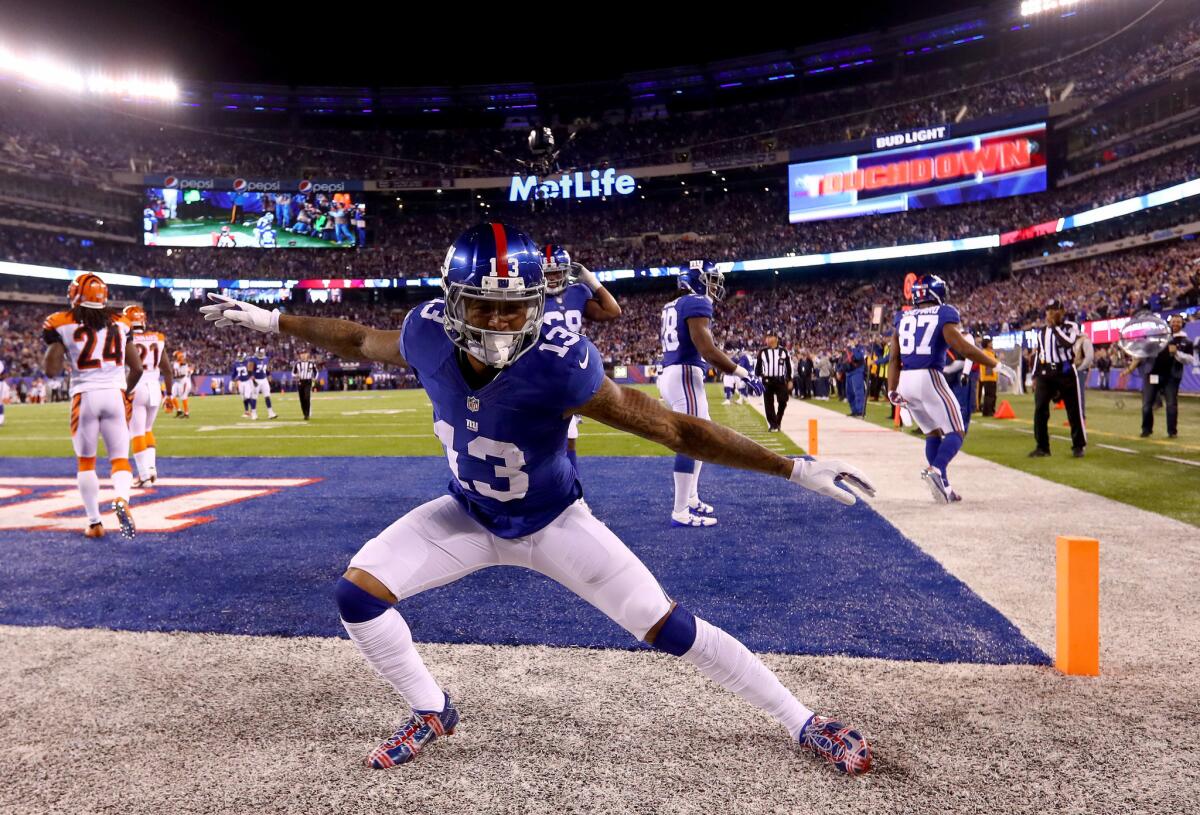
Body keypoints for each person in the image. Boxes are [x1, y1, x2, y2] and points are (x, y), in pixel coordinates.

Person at [201, 223, 876, 776]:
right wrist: (271, 319)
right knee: (356, 595)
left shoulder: (559, 358)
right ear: (451, 301)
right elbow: (355, 338)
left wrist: (791, 467)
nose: (497, 320)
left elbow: (673, 427)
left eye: (513, 305)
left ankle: (803, 719)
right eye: (482, 304)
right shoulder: (427, 332)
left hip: (555, 522)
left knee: (667, 625)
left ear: (537, 303)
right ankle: (432, 707)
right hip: (466, 513)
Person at [658, 259, 764, 527]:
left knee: (701, 439)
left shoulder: (672, 304)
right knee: (691, 440)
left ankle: (691, 498)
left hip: (675, 374)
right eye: (711, 279)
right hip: (684, 374)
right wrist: (743, 373)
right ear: (696, 279)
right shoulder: (696, 302)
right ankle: (680, 511)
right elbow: (707, 350)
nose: (715, 286)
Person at [42, 273, 142, 538]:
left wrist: (59, 342)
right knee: (120, 458)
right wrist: (125, 392)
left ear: (76, 295)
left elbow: (51, 371)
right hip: (114, 394)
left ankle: (95, 522)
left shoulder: (62, 322)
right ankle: (121, 498)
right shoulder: (121, 322)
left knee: (86, 462)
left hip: (84, 395)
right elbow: (138, 368)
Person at [886, 274, 996, 503]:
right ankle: (936, 470)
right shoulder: (944, 312)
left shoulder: (902, 316)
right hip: (929, 377)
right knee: (956, 431)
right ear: (938, 292)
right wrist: (995, 363)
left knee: (932, 432)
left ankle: (944, 487)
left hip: (905, 380)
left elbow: (894, 358)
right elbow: (962, 347)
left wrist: (891, 390)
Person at [540, 245, 622, 475]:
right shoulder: (530, 297)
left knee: (569, 437)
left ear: (567, 272)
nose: (553, 278)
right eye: (547, 273)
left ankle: (571, 493)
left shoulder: (577, 292)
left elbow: (613, 312)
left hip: (568, 374)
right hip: (539, 371)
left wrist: (593, 282)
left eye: (557, 272)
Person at [124, 305, 174, 487]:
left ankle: (144, 476)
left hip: (136, 386)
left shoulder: (125, 338)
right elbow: (167, 370)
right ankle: (152, 469)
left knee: (136, 432)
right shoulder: (157, 338)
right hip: (155, 387)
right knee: (147, 430)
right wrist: (169, 395)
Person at [1030, 300, 1086, 458]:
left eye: (1054, 310)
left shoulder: (1071, 327)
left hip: (1065, 371)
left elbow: (1068, 343)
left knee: (1073, 409)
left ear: (1062, 311)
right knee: (1040, 409)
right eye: (1048, 310)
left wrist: (1054, 327)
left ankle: (1078, 445)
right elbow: (1039, 354)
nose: (1050, 313)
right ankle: (1042, 446)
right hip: (1046, 373)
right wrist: (1035, 375)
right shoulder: (1041, 332)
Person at [1129, 314, 1196, 438]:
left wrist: (1177, 353)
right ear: (1169, 323)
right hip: (1152, 374)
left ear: (1183, 324)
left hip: (1171, 377)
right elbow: (1145, 351)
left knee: (1171, 404)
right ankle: (1146, 430)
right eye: (1173, 321)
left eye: (1178, 322)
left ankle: (1172, 432)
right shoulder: (1159, 337)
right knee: (1147, 404)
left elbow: (1190, 360)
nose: (1175, 324)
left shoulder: (1186, 342)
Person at [756, 334, 791, 431]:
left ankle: (777, 420)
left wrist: (790, 380)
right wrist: (760, 378)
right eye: (767, 337)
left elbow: (788, 367)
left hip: (780, 380)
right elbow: (758, 369)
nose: (767, 339)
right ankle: (773, 424)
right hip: (767, 380)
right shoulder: (763, 352)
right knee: (768, 403)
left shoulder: (783, 351)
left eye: (769, 337)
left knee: (783, 400)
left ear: (776, 339)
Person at [248, 346, 278, 420]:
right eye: (260, 353)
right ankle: (254, 414)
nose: (261, 354)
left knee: (267, 396)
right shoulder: (252, 359)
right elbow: (249, 370)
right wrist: (252, 377)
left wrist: (269, 375)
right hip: (256, 380)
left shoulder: (266, 358)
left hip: (264, 380)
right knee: (254, 397)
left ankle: (270, 413)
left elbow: (267, 369)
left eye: (262, 353)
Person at [293, 351, 319, 420]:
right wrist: (296, 375)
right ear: (300, 355)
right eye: (302, 354)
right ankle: (304, 413)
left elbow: (316, 372)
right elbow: (293, 373)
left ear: (307, 355)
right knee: (302, 399)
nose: (303, 355)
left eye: (305, 354)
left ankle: (307, 414)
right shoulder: (297, 364)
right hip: (300, 381)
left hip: (308, 381)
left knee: (307, 397)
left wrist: (314, 378)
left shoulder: (311, 363)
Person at [977, 337, 998, 417]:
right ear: (986, 344)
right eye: (990, 342)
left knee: (992, 395)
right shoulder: (985, 353)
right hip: (988, 377)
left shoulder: (991, 352)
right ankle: (988, 411)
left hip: (992, 377)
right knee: (989, 395)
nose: (991, 344)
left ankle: (990, 410)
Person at [171, 350, 192, 418]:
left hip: (183, 382)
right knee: (171, 396)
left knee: (183, 397)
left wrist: (174, 376)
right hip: (177, 382)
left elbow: (182, 375)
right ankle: (179, 411)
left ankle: (186, 413)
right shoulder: (175, 363)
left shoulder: (184, 364)